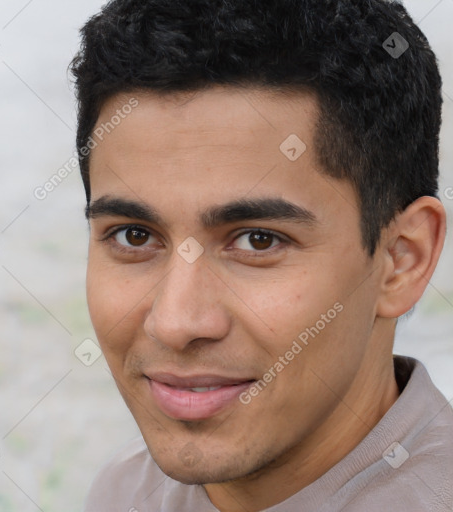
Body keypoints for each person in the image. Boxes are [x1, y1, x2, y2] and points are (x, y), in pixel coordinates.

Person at [70, 0, 453, 510]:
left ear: (401, 260)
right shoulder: (122, 491)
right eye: (134, 236)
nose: (176, 322)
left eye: (258, 240)